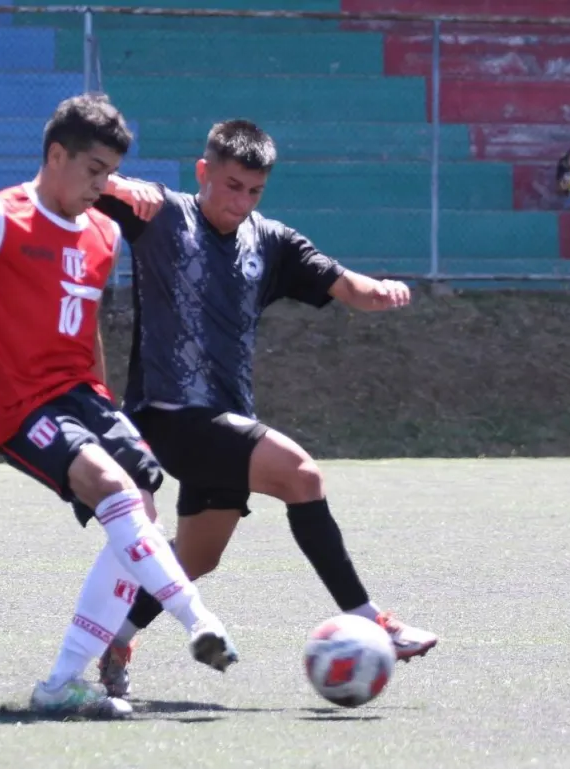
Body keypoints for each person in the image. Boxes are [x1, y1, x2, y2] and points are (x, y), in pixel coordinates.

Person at [0, 94, 237, 720]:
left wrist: (104, 400)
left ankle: (63, 682)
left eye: (110, 173)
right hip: (22, 406)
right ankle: (194, 618)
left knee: (141, 505)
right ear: (56, 155)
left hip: (83, 397)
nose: (103, 185)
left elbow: (85, 320)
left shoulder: (103, 233)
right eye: (93, 171)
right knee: (112, 487)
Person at [90, 119, 439, 699]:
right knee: (302, 475)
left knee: (198, 557)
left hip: (226, 422)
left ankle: (116, 640)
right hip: (168, 415)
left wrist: (376, 292)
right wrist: (121, 184)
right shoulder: (163, 216)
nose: (240, 201)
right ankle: (374, 619)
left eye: (253, 190)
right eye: (230, 185)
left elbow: (342, 284)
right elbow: (80, 179)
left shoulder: (270, 242)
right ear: (203, 173)